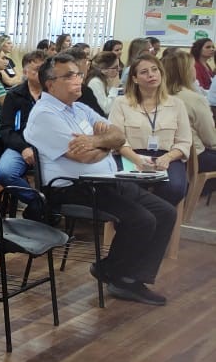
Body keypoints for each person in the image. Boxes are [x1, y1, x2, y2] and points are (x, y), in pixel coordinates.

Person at [26, 53, 174, 306]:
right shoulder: (45, 115)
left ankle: (127, 276)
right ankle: (116, 274)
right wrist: (106, 146)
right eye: (70, 76)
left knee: (166, 212)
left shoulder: (80, 108)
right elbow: (84, 158)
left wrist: (96, 142)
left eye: (79, 74)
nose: (78, 80)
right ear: (51, 83)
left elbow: (118, 135)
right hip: (71, 188)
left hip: (105, 181)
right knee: (141, 219)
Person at [109, 54, 191, 206]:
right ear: (134, 79)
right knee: (127, 188)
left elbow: (184, 142)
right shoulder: (121, 103)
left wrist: (167, 158)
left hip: (166, 156)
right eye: (144, 72)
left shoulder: (177, 104)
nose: (151, 74)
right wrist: (137, 160)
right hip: (130, 155)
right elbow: (116, 139)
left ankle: (158, 221)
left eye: (155, 70)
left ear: (161, 73)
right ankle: (141, 222)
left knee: (176, 187)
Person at [0, 51, 48, 220]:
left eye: (45, 69)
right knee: (4, 172)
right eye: (36, 69)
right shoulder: (14, 95)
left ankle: (49, 206)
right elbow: (5, 128)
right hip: (20, 145)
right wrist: (23, 148)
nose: (41, 74)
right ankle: (37, 202)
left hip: (50, 147)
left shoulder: (54, 95)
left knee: (60, 175)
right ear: (25, 72)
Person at [162, 51, 216, 179]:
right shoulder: (194, 99)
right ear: (185, 72)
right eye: (192, 66)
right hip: (195, 157)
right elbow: (211, 140)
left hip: (170, 153)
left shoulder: (159, 96)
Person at [66, 47, 106, 116]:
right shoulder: (83, 91)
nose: (88, 66)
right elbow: (100, 116)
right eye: (85, 63)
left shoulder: (58, 87)